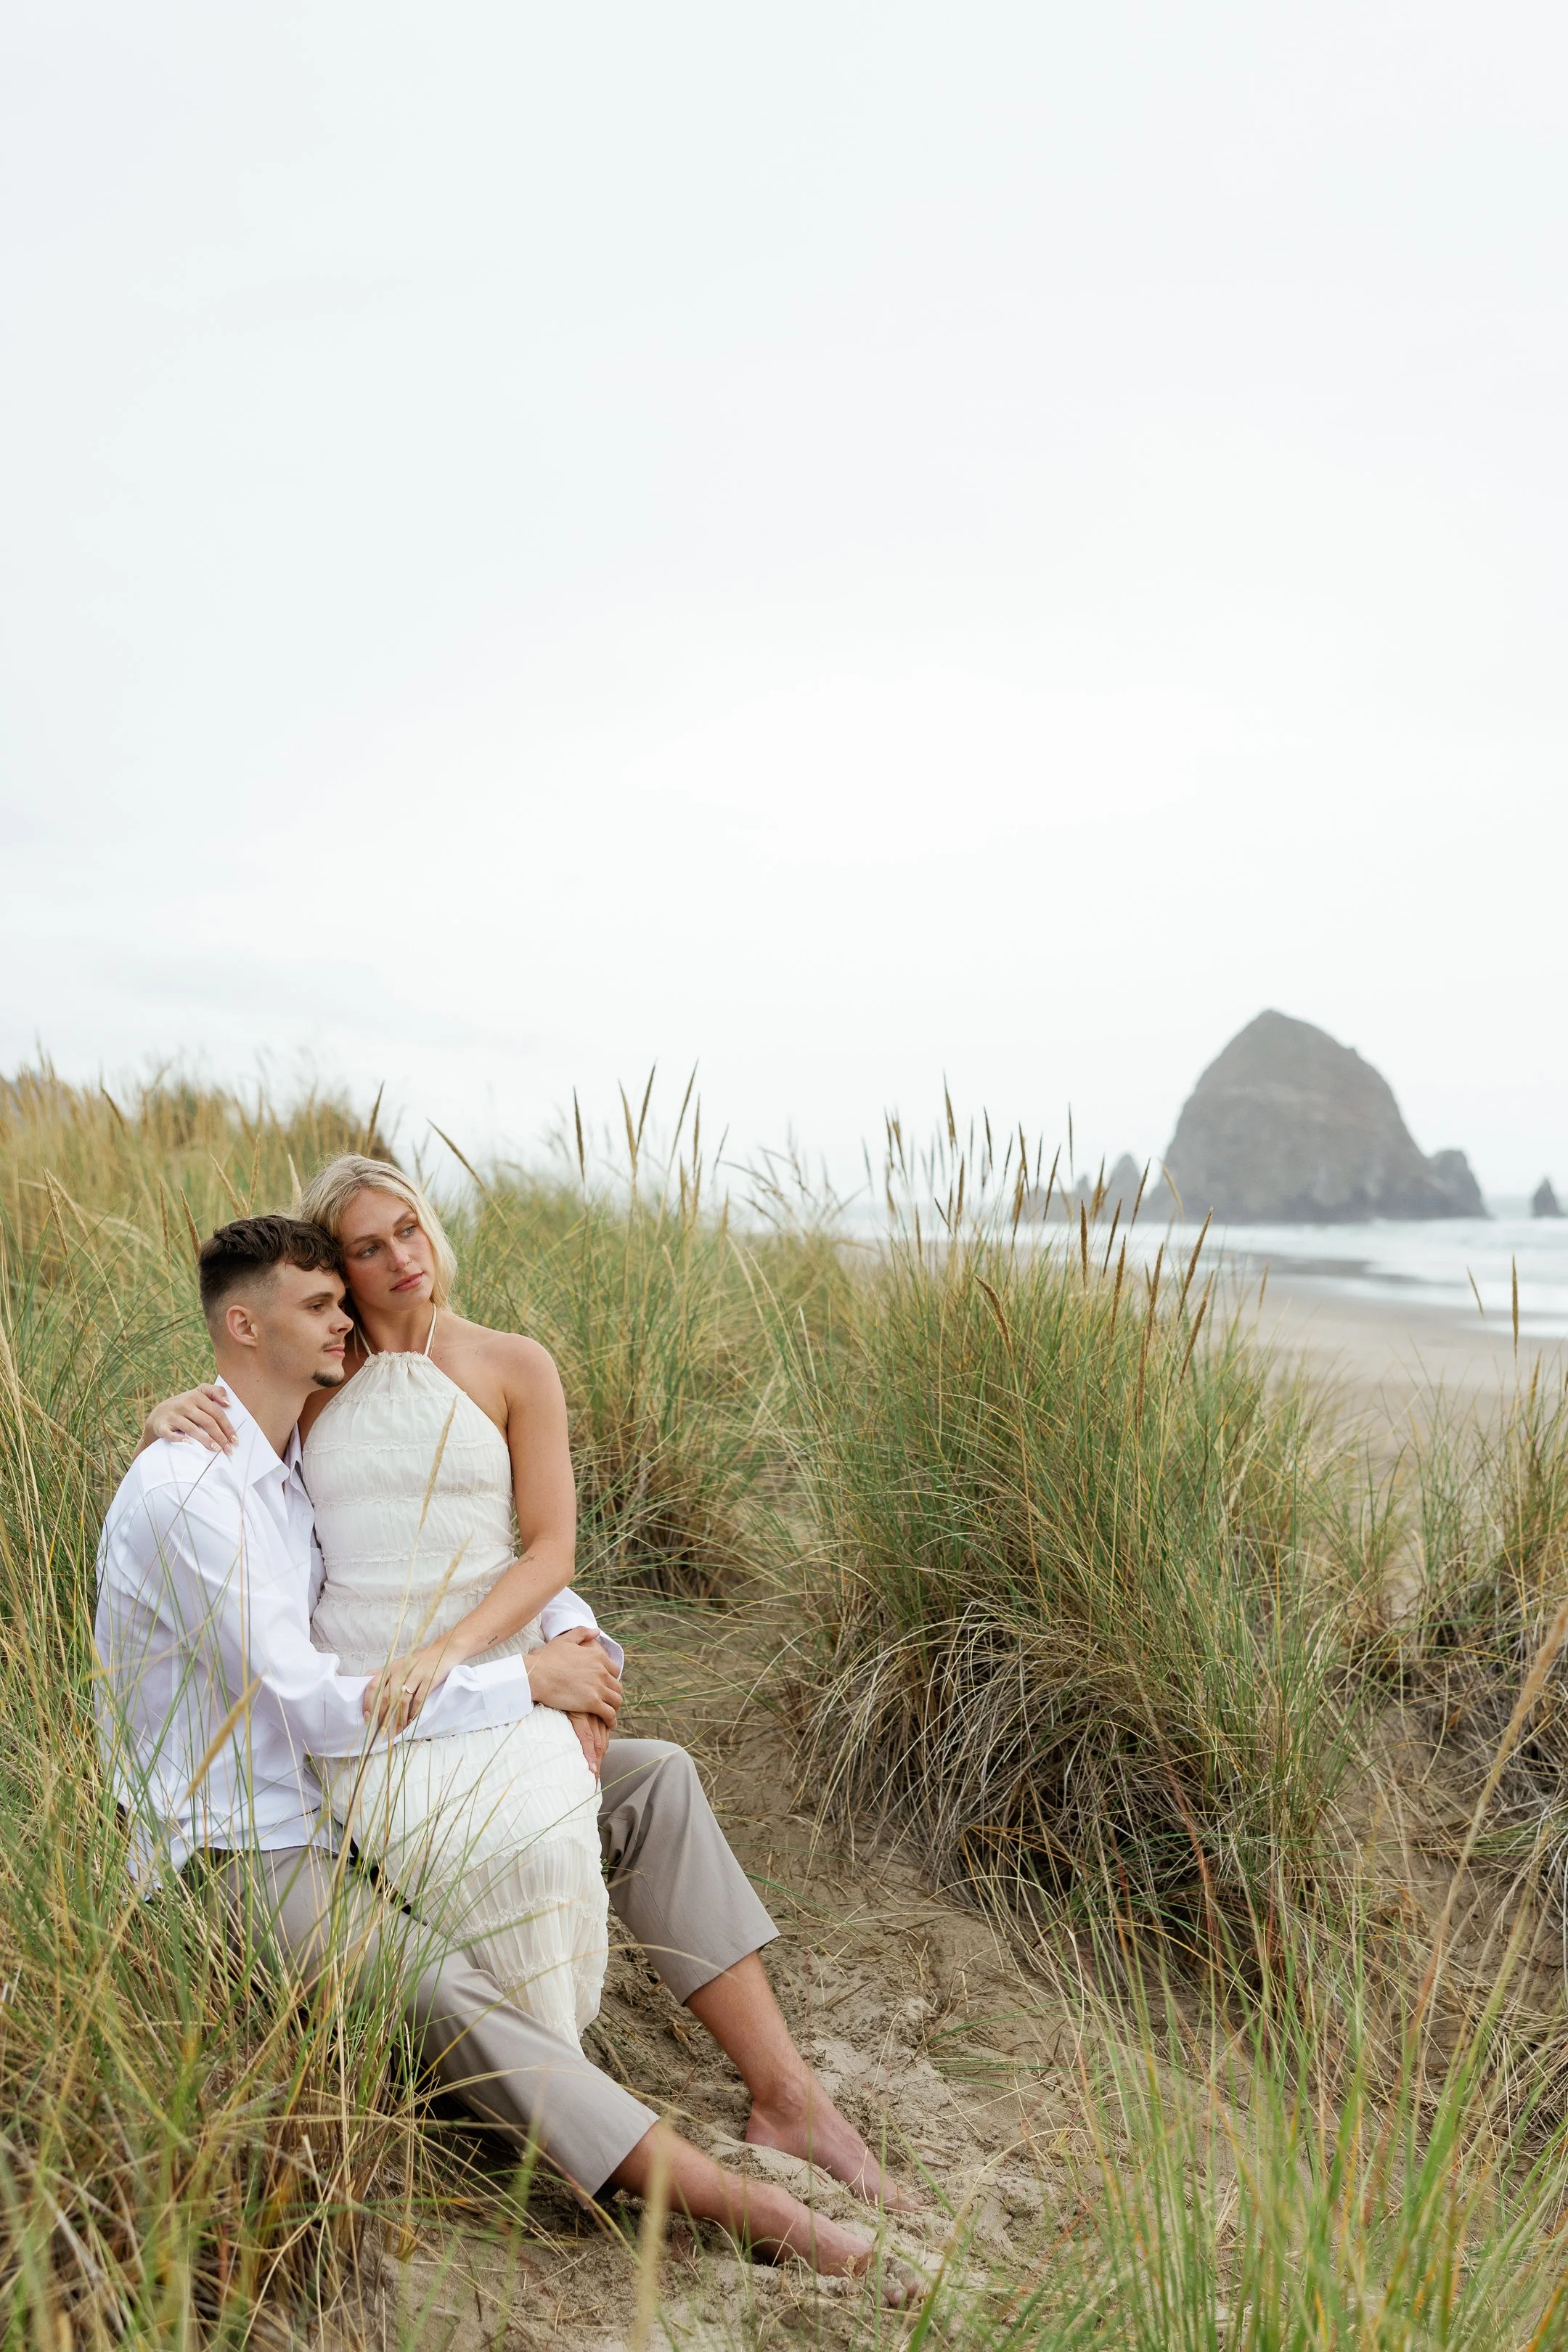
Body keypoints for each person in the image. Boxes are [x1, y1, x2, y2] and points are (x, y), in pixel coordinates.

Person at [107, 1209, 917, 2295]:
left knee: (652, 1784)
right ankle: (753, 2211)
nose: (349, 1316)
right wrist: (525, 1684)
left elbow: (453, 1546)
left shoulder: (286, 1448)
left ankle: (791, 2101)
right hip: (240, 1845)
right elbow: (311, 1709)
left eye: (344, 1298)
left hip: (357, 1781)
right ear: (247, 1329)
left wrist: (576, 1641)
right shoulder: (196, 1488)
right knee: (440, 1994)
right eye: (322, 1304)